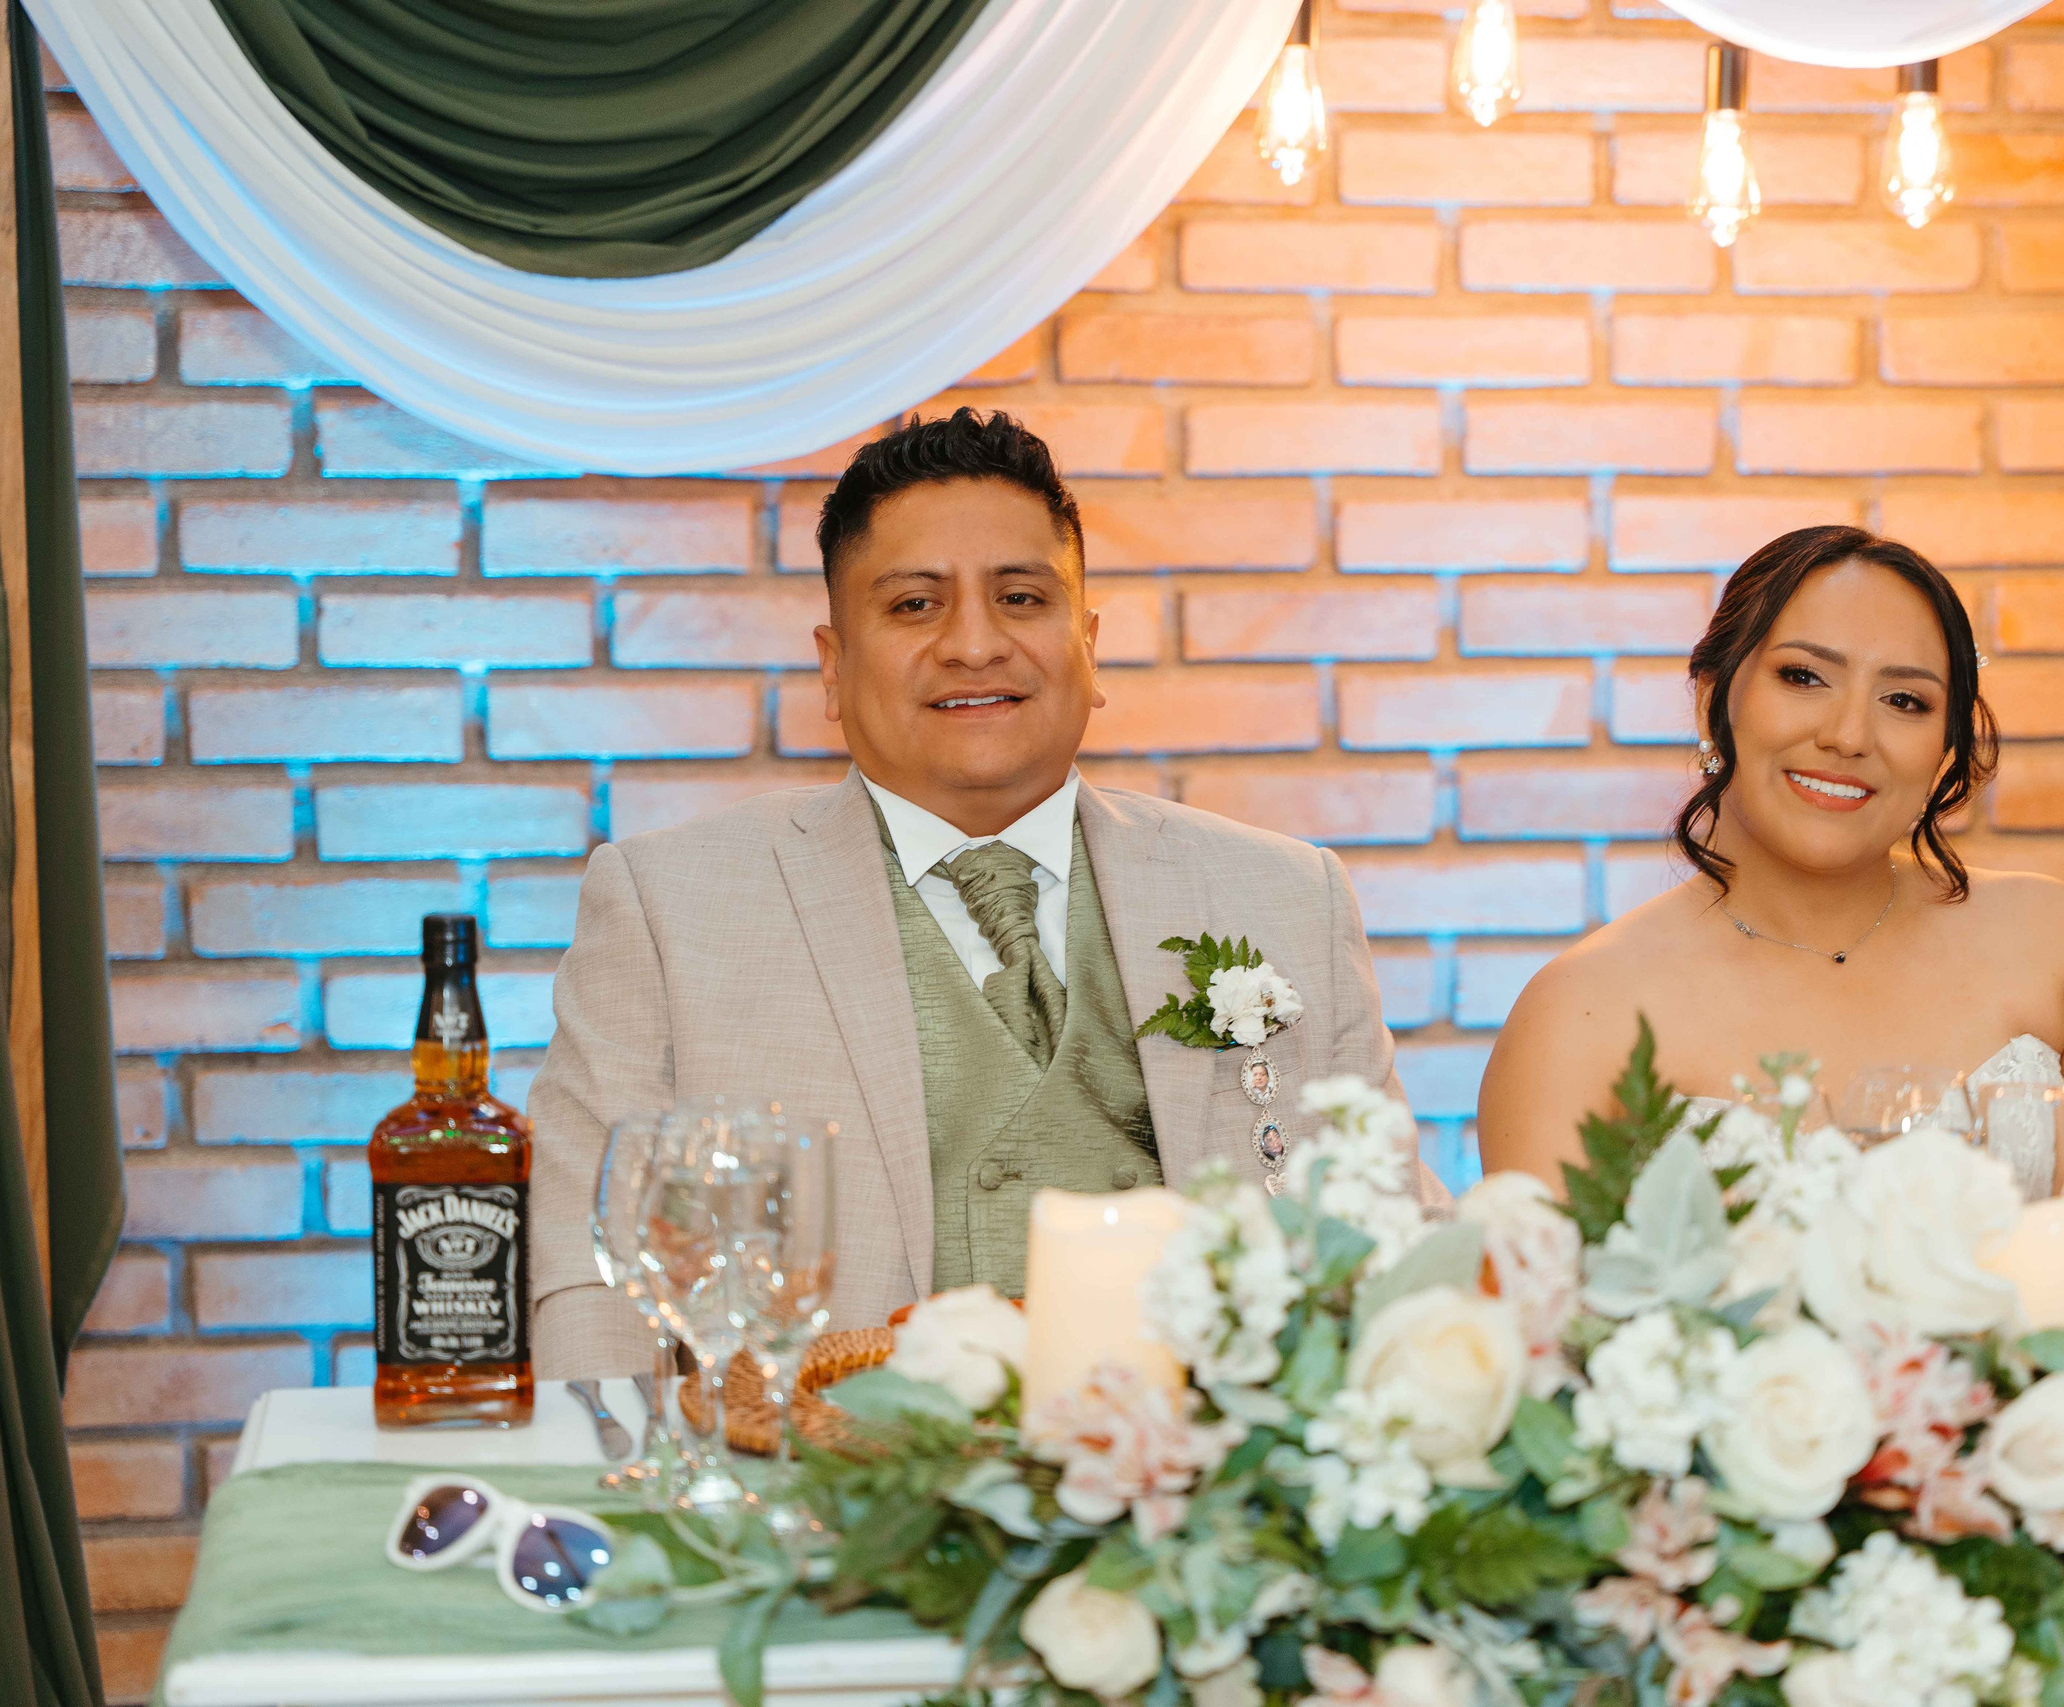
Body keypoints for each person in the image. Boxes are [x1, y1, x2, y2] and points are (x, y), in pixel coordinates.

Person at [528, 409, 1432, 1379]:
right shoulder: (670, 907)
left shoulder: (1285, 895)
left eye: (1020, 598)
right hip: (813, 1496)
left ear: (1087, 647)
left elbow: (1391, 1241)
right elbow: (597, 1278)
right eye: (914, 606)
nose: (974, 644)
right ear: (833, 667)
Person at [1477, 524, 2064, 1188]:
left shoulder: (2055, 941)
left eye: (1905, 699)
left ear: (1945, 750)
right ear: (1716, 701)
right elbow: (1542, 1303)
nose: (1848, 735)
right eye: (1805, 677)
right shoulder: (1582, 1013)